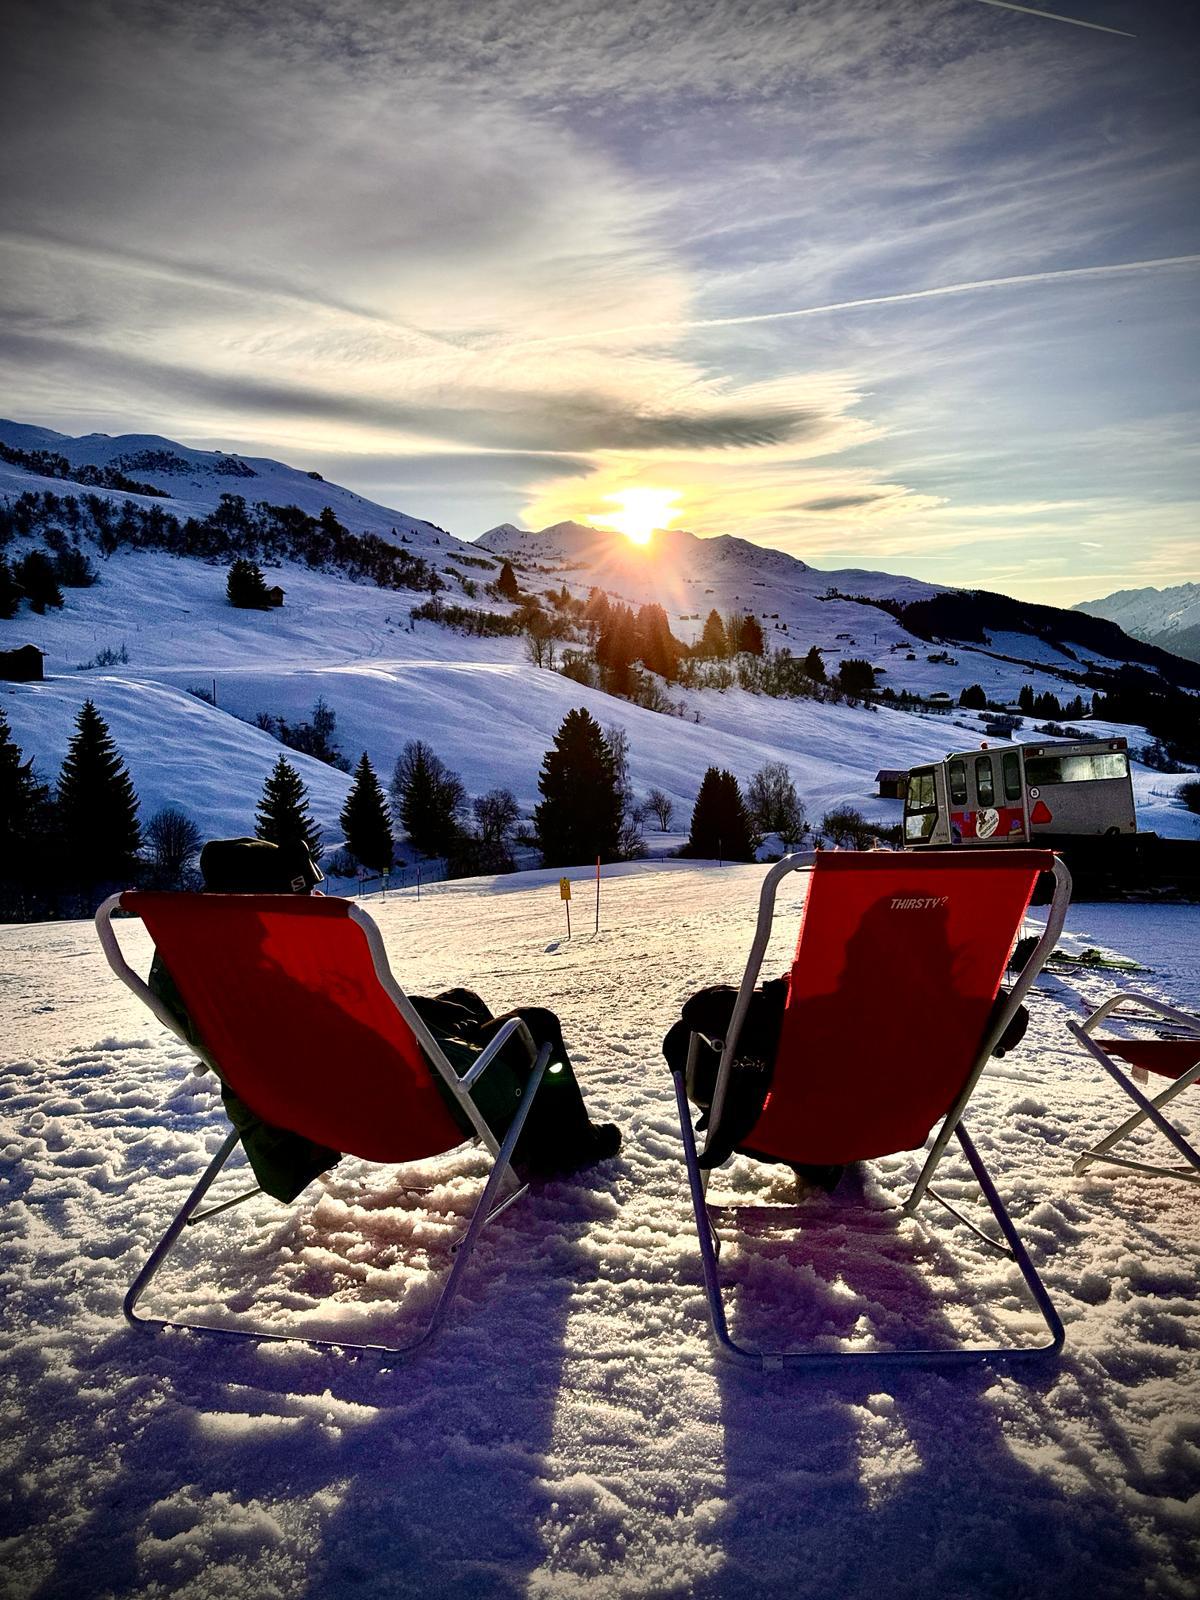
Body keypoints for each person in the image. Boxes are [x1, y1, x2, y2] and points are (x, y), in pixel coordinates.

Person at [149, 837, 620, 1202]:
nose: (313, 896)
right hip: (387, 1108)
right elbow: (368, 1038)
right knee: (534, 1025)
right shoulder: (283, 965)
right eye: (303, 891)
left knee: (461, 1003)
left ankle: (523, 1137)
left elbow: (327, 1025)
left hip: (292, 1104)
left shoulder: (195, 969)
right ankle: (568, 1146)